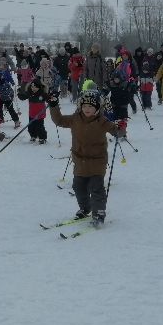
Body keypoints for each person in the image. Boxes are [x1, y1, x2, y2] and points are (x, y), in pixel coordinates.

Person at [47, 92, 121, 226]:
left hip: (97, 161)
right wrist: (53, 105)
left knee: (96, 187)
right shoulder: (75, 118)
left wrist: (120, 129)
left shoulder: (102, 121)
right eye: (85, 106)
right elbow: (59, 120)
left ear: (97, 108)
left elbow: (116, 130)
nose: (87, 109)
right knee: (78, 187)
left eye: (91, 107)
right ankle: (85, 208)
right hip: (80, 161)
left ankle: (99, 213)